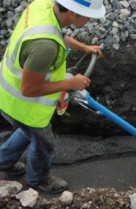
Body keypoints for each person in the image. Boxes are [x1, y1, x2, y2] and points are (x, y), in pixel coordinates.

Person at [0, 0, 106, 193]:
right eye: (88, 16)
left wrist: (84, 47)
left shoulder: (44, 6)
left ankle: (3, 162)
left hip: (7, 91)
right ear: (73, 13)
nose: (91, 20)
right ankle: (38, 180)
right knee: (43, 142)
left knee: (26, 131)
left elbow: (57, 35)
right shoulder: (44, 47)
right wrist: (70, 83)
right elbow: (29, 89)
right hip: (23, 102)